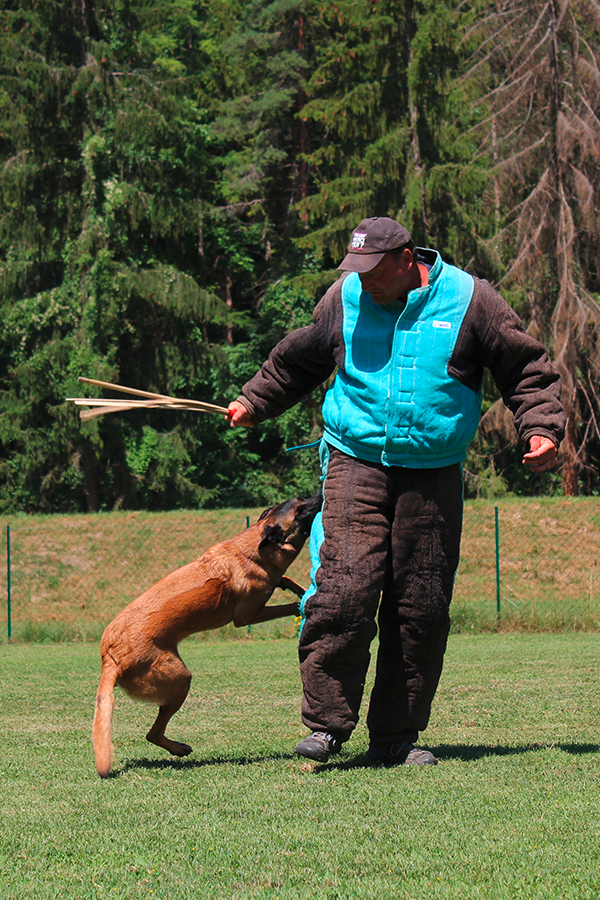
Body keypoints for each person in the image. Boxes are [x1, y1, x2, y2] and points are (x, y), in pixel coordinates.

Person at [227, 217, 566, 766]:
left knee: (421, 607)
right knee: (342, 590)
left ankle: (396, 738)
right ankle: (326, 725)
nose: (363, 282)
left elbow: (525, 368)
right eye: (355, 271)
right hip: (354, 462)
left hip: (432, 472)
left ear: (408, 259)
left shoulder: (471, 300)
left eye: (374, 271)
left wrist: (543, 428)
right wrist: (254, 401)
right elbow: (300, 357)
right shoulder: (344, 297)